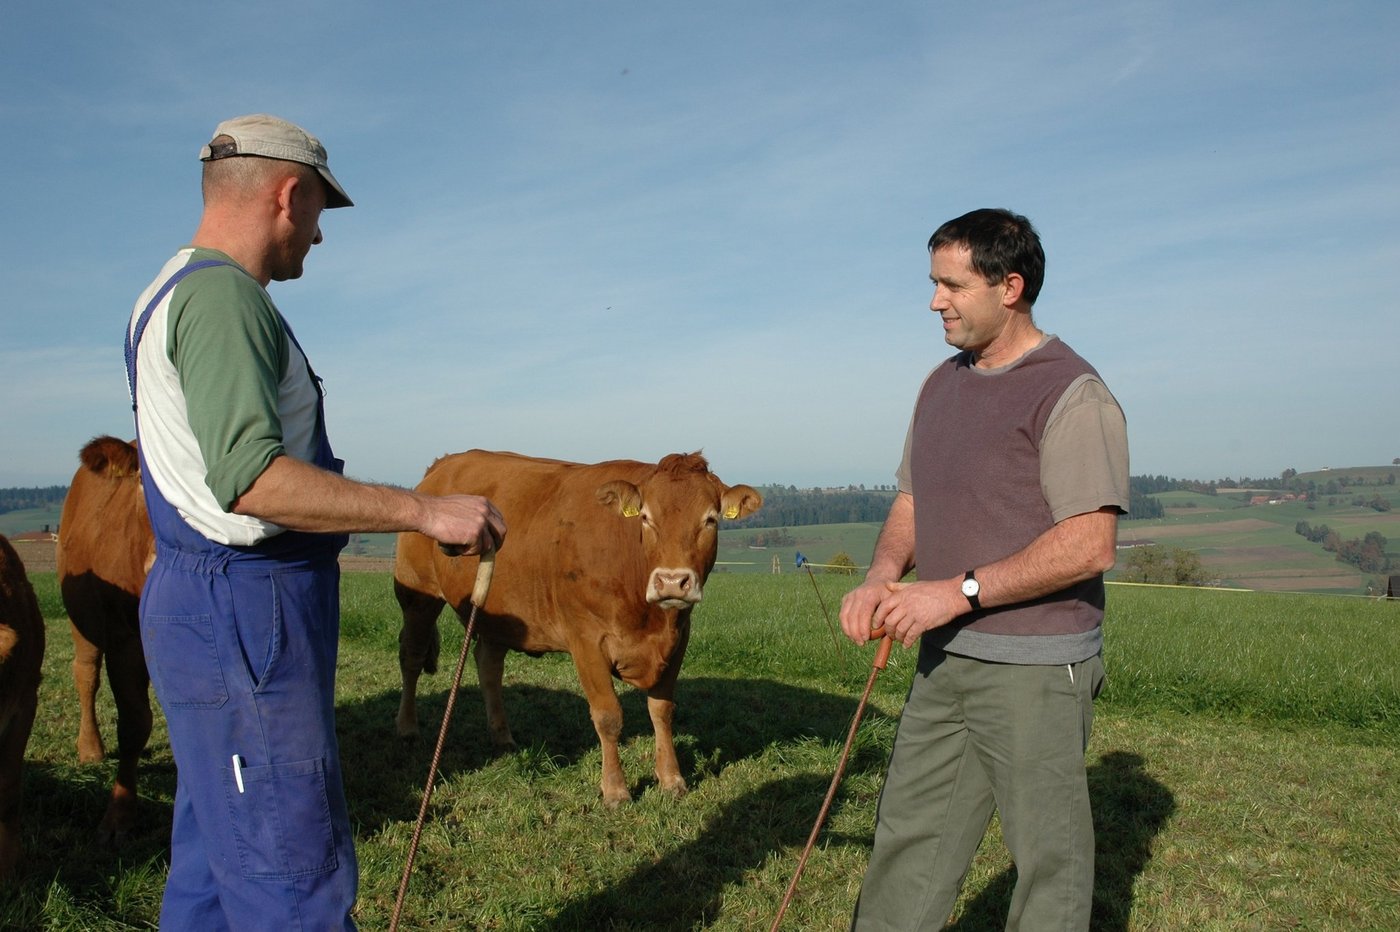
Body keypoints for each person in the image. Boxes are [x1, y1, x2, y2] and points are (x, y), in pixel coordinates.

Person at [124, 114, 507, 930]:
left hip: (203, 605)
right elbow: (253, 479)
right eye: (322, 213)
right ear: (288, 196)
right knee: (289, 872)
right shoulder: (225, 299)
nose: (320, 237)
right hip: (246, 612)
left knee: (212, 857)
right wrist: (423, 509)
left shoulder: (165, 289)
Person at [838, 208, 1128, 930]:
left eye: (951, 285)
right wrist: (881, 575)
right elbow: (912, 500)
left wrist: (957, 592)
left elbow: (1089, 543)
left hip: (1036, 668)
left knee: (1047, 863)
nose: (935, 300)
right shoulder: (941, 384)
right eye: (934, 283)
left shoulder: (1072, 392)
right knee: (910, 837)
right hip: (945, 660)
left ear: (1010, 286)